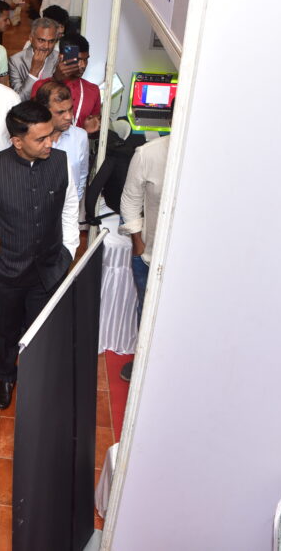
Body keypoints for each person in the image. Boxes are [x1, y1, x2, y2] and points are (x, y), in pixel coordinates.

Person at [0, 101, 80, 409]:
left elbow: (70, 206)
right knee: (6, 331)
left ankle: (36, 379)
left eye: (50, 135)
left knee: (41, 331)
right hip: (7, 272)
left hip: (50, 267)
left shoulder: (61, 162)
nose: (50, 143)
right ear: (17, 141)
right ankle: (6, 377)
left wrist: (69, 249)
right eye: (40, 139)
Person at [118, 134, 169, 382]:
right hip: (149, 254)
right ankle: (144, 362)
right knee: (147, 309)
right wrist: (138, 242)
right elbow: (130, 200)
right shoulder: (147, 154)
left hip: (192, 262)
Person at [31, 32, 102, 134]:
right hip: (49, 143)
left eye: (86, 59)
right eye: (78, 60)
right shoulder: (40, 86)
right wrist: (57, 79)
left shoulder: (93, 90)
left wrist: (90, 132)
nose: (83, 65)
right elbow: (35, 122)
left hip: (79, 143)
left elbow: (95, 131)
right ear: (61, 57)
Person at [36, 81, 89, 206]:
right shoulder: (31, 139)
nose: (69, 117)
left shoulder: (80, 137)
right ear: (43, 110)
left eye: (70, 109)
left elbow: (82, 176)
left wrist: (73, 206)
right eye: (60, 112)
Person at [9, 17, 60, 100]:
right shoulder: (16, 61)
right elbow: (18, 99)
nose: (46, 46)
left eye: (51, 41)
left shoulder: (59, 59)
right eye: (41, 40)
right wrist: (33, 72)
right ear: (31, 38)